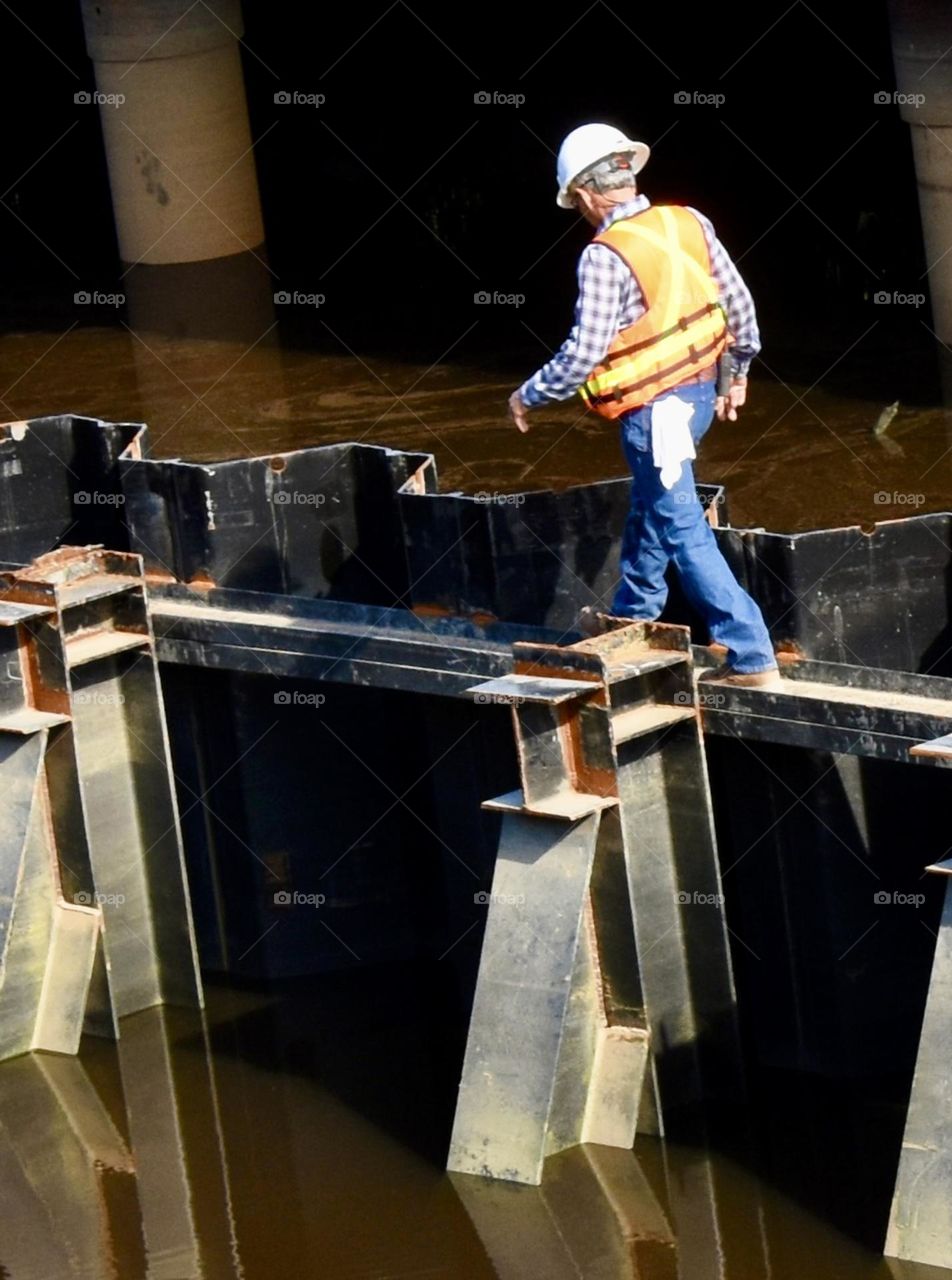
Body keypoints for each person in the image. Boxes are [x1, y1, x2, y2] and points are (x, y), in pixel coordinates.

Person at [508, 122, 779, 687]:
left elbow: (584, 355)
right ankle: (634, 612)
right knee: (655, 500)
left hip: (657, 413)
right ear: (627, 175)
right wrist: (738, 370)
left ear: (583, 195)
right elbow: (740, 305)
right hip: (699, 396)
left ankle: (751, 652)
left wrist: (529, 394)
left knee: (682, 524)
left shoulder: (603, 256)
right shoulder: (689, 221)